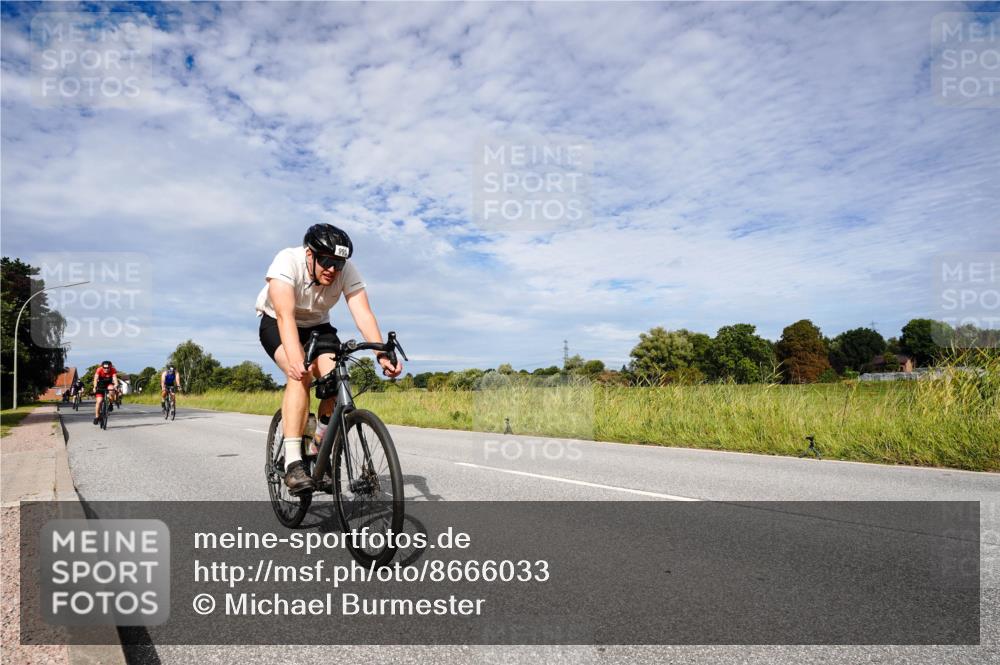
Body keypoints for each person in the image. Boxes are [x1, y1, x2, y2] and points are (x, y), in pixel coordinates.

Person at [255, 223, 402, 493]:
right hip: (278, 323)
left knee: (336, 380)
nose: (332, 270)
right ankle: (293, 463)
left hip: (318, 327)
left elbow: (363, 314)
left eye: (338, 264)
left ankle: (318, 447)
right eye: (326, 261)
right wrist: (296, 357)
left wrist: (381, 353)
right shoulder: (287, 262)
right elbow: (286, 316)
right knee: (300, 375)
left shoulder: (345, 270)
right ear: (309, 255)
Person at [92, 360, 119, 425]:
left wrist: (116, 384)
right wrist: (95, 387)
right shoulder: (99, 370)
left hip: (109, 384)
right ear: (102, 367)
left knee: (112, 389)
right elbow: (95, 379)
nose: (106, 369)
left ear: (110, 367)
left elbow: (115, 378)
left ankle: (110, 404)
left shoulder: (113, 370)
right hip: (100, 385)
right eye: (104, 368)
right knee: (99, 401)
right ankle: (97, 417)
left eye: (108, 368)